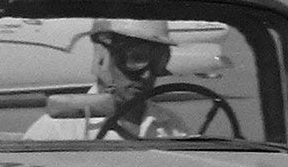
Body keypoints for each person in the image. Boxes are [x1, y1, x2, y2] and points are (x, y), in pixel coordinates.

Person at [23, 20, 187, 140]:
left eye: (159, 61)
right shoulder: (59, 130)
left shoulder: (171, 126)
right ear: (103, 58)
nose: (147, 75)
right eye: (136, 59)